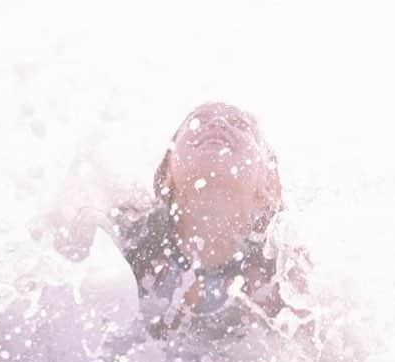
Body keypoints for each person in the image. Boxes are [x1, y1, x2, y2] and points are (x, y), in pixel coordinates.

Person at [115, 102, 304, 338]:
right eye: (199, 119)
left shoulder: (280, 272)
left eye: (239, 125)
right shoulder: (129, 238)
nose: (217, 123)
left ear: (267, 187)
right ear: (166, 174)